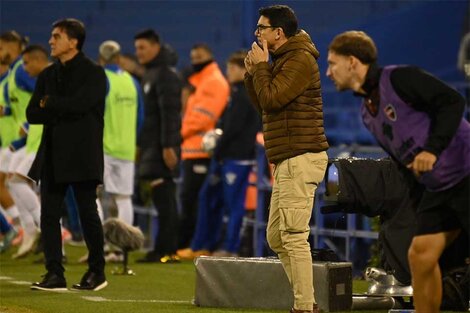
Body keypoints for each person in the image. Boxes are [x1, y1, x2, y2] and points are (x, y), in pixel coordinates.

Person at [326, 30, 469, 313]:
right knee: (420, 256)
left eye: (332, 63)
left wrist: (432, 150)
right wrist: (417, 207)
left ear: (352, 62)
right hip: (439, 189)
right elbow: (405, 168)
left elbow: (453, 101)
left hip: (466, 172)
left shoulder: (400, 79)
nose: (328, 73)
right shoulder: (368, 114)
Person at [244, 5, 328, 313]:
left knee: (293, 236)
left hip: (301, 156)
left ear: (278, 32)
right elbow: (264, 105)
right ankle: (309, 302)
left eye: (262, 28)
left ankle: (304, 307)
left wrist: (261, 69)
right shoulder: (281, 59)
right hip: (287, 157)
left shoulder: (300, 59)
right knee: (277, 237)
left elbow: (272, 98)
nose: (257, 34)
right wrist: (254, 73)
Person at [27, 18, 107, 291]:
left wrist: (51, 102)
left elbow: (82, 104)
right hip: (52, 153)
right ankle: (54, 274)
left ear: (73, 42)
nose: (51, 41)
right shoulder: (48, 75)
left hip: (83, 154)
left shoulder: (94, 72)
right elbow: (32, 113)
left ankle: (97, 272)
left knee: (87, 213)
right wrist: (58, 106)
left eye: (56, 36)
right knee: (48, 215)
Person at [187, 50, 261, 257]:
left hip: (236, 159)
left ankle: (230, 248)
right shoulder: (238, 93)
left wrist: (218, 149)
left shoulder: (244, 94)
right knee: (212, 199)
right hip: (229, 157)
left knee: (234, 205)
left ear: (242, 69)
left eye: (231, 68)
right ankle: (206, 244)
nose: (228, 72)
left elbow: (233, 128)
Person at [133, 29, 182, 263]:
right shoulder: (151, 74)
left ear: (155, 46)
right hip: (153, 145)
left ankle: (166, 249)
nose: (138, 53)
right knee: (162, 198)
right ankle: (164, 248)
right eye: (136, 48)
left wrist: (168, 146)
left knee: (165, 198)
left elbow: (170, 113)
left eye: (142, 47)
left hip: (162, 147)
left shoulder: (165, 75)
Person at [177, 43, 229, 258]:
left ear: (209, 57)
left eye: (199, 57)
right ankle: (193, 243)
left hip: (201, 150)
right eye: (192, 56)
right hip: (192, 150)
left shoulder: (213, 82)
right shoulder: (202, 82)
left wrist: (181, 132)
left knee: (196, 200)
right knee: (190, 199)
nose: (194, 61)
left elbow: (204, 116)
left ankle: (197, 244)